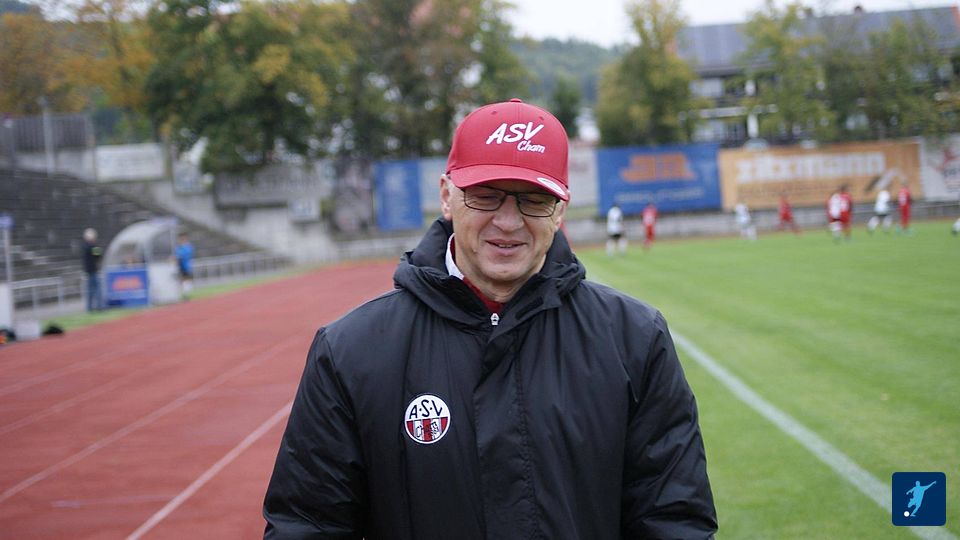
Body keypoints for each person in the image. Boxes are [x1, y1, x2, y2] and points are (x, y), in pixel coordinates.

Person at [262, 99, 717, 539]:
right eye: (486, 196)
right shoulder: (351, 351)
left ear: (560, 211)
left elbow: (674, 521)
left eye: (533, 200)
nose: (508, 221)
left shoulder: (635, 339)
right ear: (447, 196)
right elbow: (307, 525)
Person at [82, 228, 103, 311]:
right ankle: (99, 306)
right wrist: (97, 247)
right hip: (93, 271)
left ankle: (90, 308)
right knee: (97, 290)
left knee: (90, 290)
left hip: (89, 271)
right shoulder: (93, 247)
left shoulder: (85, 247)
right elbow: (98, 256)